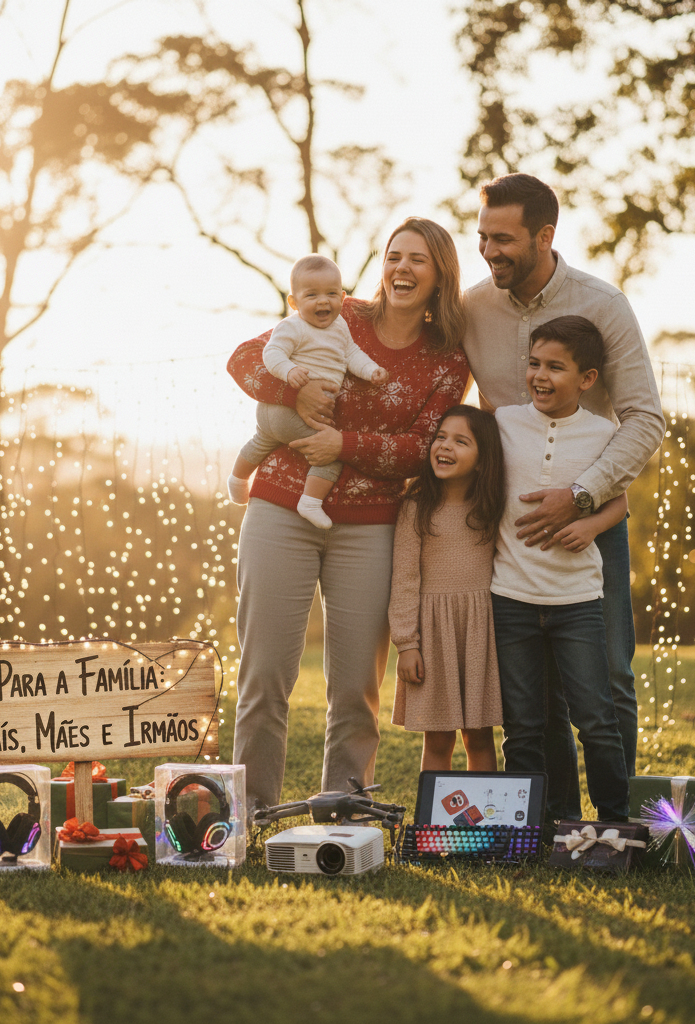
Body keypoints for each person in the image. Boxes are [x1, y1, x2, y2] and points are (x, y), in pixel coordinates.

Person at [226, 218, 471, 810]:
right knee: (263, 676)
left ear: (440, 275)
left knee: (357, 687)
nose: (402, 268)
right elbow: (244, 360)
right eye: (394, 256)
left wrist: (345, 444)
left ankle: (344, 814)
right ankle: (250, 813)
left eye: (417, 259)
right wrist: (293, 392)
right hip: (282, 507)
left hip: (372, 525)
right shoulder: (340, 312)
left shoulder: (447, 359)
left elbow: (423, 448)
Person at [463, 173, 665, 819]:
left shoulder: (604, 304)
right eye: (482, 237)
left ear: (544, 235)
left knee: (610, 677)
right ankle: (554, 822)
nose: (489, 251)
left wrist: (581, 498)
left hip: (591, 520)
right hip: (514, 534)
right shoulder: (472, 309)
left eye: (503, 239)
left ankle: (618, 825)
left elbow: (644, 419)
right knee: (535, 697)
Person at [492, 315, 630, 821]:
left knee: (596, 720)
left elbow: (619, 503)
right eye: (534, 364)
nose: (540, 376)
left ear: (587, 378)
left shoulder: (603, 433)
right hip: (511, 598)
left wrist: (591, 526)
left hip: (577, 602)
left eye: (555, 367)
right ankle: (532, 827)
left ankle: (615, 824)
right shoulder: (504, 422)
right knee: (522, 727)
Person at [228, 254, 388, 530]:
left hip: (272, 416)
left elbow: (352, 355)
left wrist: (371, 370)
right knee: (331, 452)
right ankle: (311, 502)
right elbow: (272, 353)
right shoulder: (293, 326)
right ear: (294, 302)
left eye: (331, 294)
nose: (322, 301)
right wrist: (289, 371)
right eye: (312, 295)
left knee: (260, 442)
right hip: (289, 411)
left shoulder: (340, 326)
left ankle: (237, 479)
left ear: (343, 297)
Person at [389, 405, 506, 772]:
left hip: (479, 635)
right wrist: (407, 644)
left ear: (483, 460)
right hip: (433, 637)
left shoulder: (492, 507)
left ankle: (484, 810)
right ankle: (432, 811)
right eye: (440, 437)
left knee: (480, 735)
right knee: (438, 739)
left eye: (460, 441)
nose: (445, 446)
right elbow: (404, 579)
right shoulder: (416, 507)